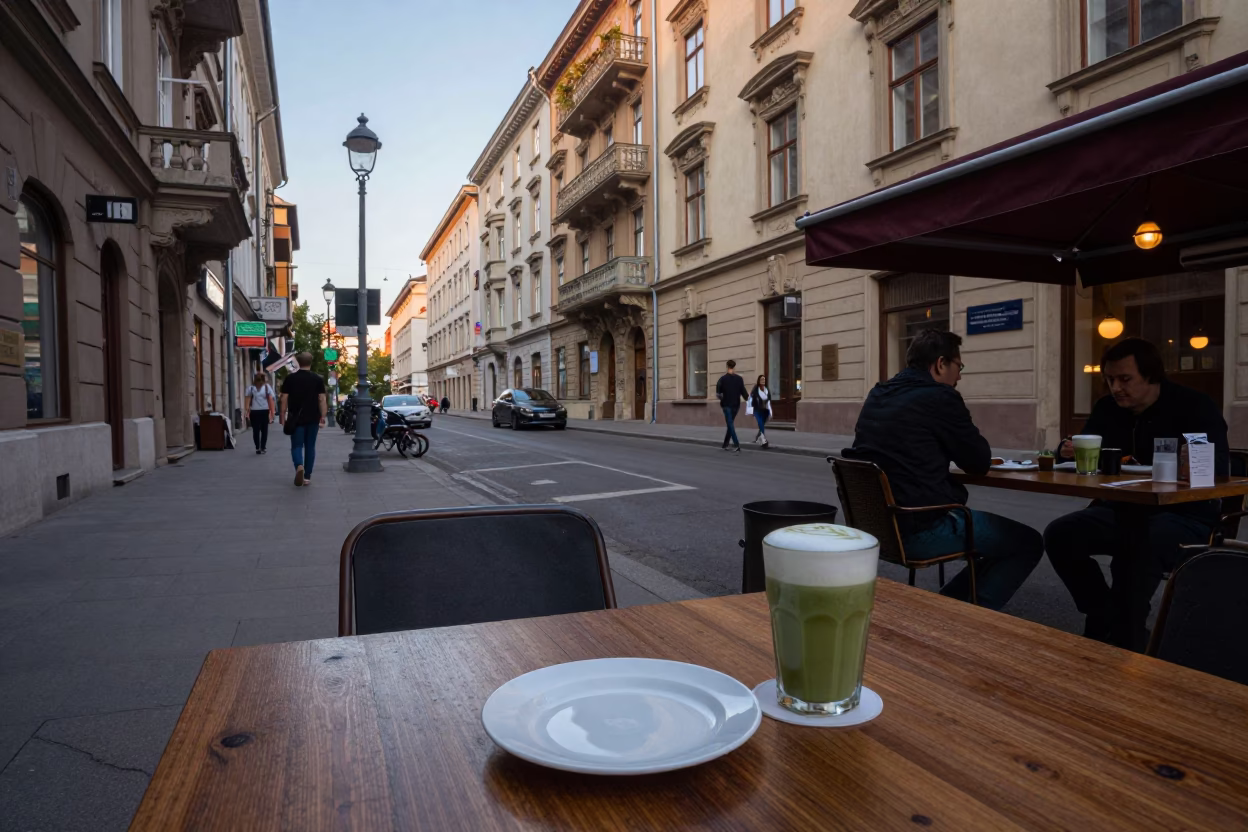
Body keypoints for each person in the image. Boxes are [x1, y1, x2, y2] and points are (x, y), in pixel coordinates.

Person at [1044, 337, 1229, 650]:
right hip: (1122, 508)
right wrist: (1065, 449)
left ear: (1151, 375)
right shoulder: (1107, 408)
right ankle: (1104, 614)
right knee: (1060, 534)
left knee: (1140, 543)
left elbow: (1216, 468)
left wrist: (1188, 461)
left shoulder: (1193, 406)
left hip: (1183, 514)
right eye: (1110, 379)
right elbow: (1079, 448)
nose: (1116, 388)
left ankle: (1125, 638)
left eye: (1125, 379)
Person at [842, 330, 1042, 611]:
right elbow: (978, 461)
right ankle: (958, 616)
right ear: (940, 364)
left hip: (878, 526)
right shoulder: (940, 397)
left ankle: (948, 607)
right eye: (959, 367)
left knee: (998, 545)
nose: (959, 377)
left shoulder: (879, 393)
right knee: (1027, 542)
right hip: (919, 528)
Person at [279, 352, 327, 487]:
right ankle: (307, 476)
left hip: (295, 418)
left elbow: (284, 398)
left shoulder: (290, 379)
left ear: (298, 362)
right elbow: (321, 399)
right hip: (313, 418)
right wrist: (322, 416)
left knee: (296, 445)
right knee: (310, 446)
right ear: (310, 362)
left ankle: (299, 466)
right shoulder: (317, 379)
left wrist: (282, 415)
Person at [715, 360, 749, 454]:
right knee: (730, 424)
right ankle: (725, 444)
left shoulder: (722, 379)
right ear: (734, 367)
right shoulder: (739, 379)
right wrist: (749, 401)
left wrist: (722, 398)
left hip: (726, 405)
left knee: (730, 425)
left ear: (727, 366)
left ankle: (737, 445)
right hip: (736, 405)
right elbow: (744, 393)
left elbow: (718, 394)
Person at [244, 372, 276, 454]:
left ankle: (259, 447)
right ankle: (261, 447)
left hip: (257, 411)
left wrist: (246, 411)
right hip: (261, 411)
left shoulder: (253, 388)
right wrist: (272, 412)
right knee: (261, 430)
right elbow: (272, 398)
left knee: (258, 430)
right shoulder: (264, 387)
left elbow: (247, 401)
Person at [750, 374, 772, 448]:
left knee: (761, 425)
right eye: (762, 379)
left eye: (764, 380)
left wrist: (770, 411)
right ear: (759, 381)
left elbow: (769, 400)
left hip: (765, 411)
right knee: (760, 423)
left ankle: (758, 437)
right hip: (757, 410)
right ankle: (763, 441)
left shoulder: (766, 389)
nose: (763, 381)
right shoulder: (755, 389)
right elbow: (751, 399)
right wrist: (751, 410)